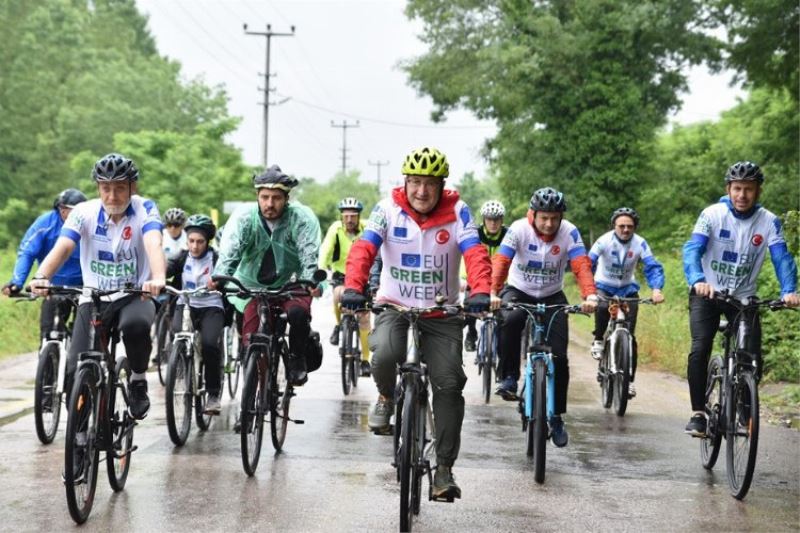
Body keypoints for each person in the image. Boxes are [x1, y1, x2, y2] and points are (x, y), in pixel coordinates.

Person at [341, 146, 492, 500]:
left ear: (441, 186)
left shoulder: (458, 211)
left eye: (429, 184)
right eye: (415, 182)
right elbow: (364, 249)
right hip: (395, 305)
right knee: (384, 353)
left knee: (449, 384)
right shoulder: (387, 209)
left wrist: (481, 291)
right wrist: (353, 286)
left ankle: (443, 469)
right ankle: (384, 396)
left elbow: (475, 254)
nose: (421, 191)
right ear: (405, 182)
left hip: (442, 314)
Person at [30, 153, 166, 420]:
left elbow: (154, 243)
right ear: (98, 188)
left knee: (135, 327)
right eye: (106, 188)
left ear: (132, 187)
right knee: (74, 370)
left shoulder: (145, 209)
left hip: (134, 294)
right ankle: (81, 438)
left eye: (119, 188)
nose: (112, 196)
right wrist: (42, 276)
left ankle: (138, 380)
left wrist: (158, 277)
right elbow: (64, 246)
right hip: (94, 296)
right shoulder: (83, 213)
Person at [682, 161, 798, 436]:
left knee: (752, 353)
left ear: (758, 192)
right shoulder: (712, 214)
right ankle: (698, 413)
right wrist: (698, 279)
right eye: (737, 189)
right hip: (708, 293)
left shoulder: (769, 221)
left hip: (744, 298)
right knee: (700, 348)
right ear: (728, 189)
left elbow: (782, 258)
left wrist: (789, 290)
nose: (742, 195)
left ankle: (746, 406)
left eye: (749, 189)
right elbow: (693, 249)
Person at [490, 187, 598, 447]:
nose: (549, 224)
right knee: (510, 319)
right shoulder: (517, 230)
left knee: (559, 357)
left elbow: (581, 265)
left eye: (555, 218)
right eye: (544, 218)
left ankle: (557, 416)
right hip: (519, 290)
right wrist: (493, 291)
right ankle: (508, 377)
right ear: (532, 215)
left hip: (552, 294)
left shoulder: (569, 232)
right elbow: (501, 262)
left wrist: (590, 295)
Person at [212, 164, 322, 387]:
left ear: (287, 198)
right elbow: (231, 251)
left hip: (291, 283)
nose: (270, 204)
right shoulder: (244, 218)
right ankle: (252, 394)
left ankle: (296, 359)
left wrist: (310, 279)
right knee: (249, 338)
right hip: (252, 286)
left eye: (276, 198)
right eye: (264, 197)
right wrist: (219, 277)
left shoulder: (301, 218)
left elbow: (308, 253)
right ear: (257, 196)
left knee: (299, 315)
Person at [588, 207, 665, 398]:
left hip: (628, 288)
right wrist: (588, 290)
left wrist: (656, 289)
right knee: (603, 306)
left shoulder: (640, 243)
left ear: (635, 227)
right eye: (621, 226)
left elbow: (652, 267)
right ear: (614, 226)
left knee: (630, 337)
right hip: (604, 285)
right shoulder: (604, 240)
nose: (625, 230)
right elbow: (588, 263)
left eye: (629, 226)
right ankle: (598, 339)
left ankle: (629, 381)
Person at [3, 189, 87, 341]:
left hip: (84, 287)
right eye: (65, 209)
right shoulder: (45, 224)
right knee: (48, 333)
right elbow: (27, 252)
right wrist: (17, 282)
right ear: (60, 210)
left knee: (84, 338)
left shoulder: (89, 224)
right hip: (52, 288)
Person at [166, 214, 224, 414]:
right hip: (187, 303)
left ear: (207, 242)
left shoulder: (217, 259)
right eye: (191, 241)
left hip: (211, 306)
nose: (195, 246)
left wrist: (221, 282)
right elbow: (167, 267)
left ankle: (213, 393)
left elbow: (229, 274)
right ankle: (181, 367)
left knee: (209, 344)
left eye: (200, 242)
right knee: (175, 335)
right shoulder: (182, 257)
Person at [319, 197, 372, 376]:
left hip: (364, 275)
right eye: (346, 216)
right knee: (337, 295)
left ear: (359, 217)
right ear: (341, 217)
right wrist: (320, 269)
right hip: (341, 274)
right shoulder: (335, 229)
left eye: (353, 216)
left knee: (364, 318)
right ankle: (338, 325)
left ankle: (366, 360)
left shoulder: (367, 229)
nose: (349, 220)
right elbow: (325, 250)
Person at [462, 200, 508, 352]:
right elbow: (468, 256)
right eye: (489, 219)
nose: (493, 223)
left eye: (497, 219)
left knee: (506, 313)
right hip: (478, 278)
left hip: (501, 280)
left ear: (502, 220)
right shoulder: (476, 234)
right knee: (469, 307)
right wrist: (464, 278)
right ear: (484, 220)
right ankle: (471, 333)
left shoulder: (509, 236)